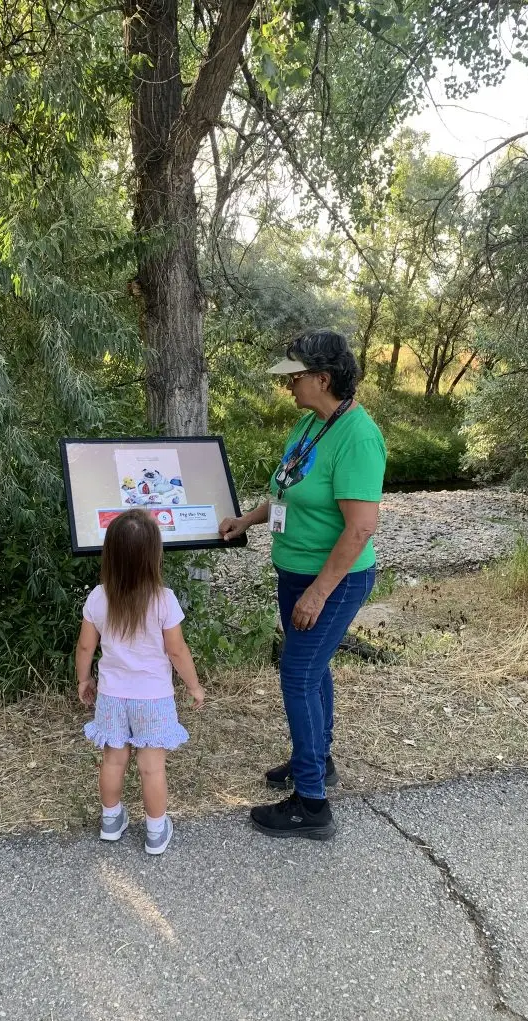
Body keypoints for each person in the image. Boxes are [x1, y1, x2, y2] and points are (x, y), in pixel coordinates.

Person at [219, 329, 386, 841]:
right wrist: (247, 519)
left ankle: (312, 804)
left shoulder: (357, 436)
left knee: (296, 673)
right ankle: (317, 757)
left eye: (296, 376)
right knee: (313, 670)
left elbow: (360, 527)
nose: (288, 384)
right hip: (294, 570)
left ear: (323, 378)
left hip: (333, 580)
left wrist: (318, 593)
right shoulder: (310, 423)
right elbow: (286, 490)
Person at [76, 509, 205, 855]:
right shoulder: (164, 599)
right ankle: (155, 832)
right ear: (154, 555)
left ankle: (110, 821)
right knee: (152, 768)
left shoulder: (99, 597)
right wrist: (194, 686)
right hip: (153, 699)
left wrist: (84, 678)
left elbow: (86, 645)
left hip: (112, 696)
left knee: (113, 760)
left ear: (110, 553)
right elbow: (177, 652)